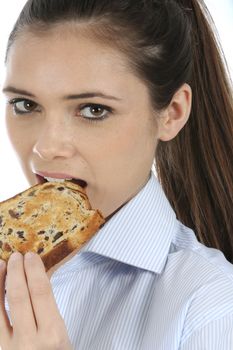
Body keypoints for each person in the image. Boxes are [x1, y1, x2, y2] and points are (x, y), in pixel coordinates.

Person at [0, 0, 233, 349]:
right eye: (25, 105)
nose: (46, 147)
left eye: (93, 110)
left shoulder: (211, 305)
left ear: (172, 113)